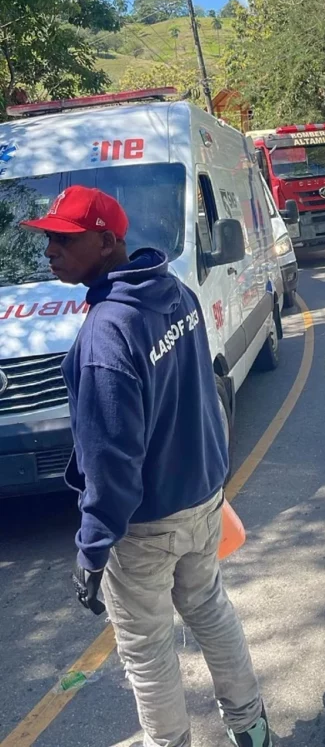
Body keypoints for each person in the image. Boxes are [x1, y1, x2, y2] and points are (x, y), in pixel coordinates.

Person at [20, 185, 271, 747]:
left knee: (147, 649)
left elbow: (110, 461)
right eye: (48, 240)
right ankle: (251, 727)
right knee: (210, 610)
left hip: (145, 524)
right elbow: (201, 393)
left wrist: (92, 549)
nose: (50, 251)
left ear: (106, 241)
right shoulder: (175, 293)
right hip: (202, 498)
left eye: (63, 239)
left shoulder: (106, 335)